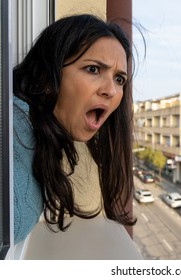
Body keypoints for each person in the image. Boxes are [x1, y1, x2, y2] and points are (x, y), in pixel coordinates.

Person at [13, 14, 136, 245]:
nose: (111, 90)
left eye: (119, 79)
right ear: (46, 77)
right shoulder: (10, 125)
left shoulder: (41, 134)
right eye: (93, 69)